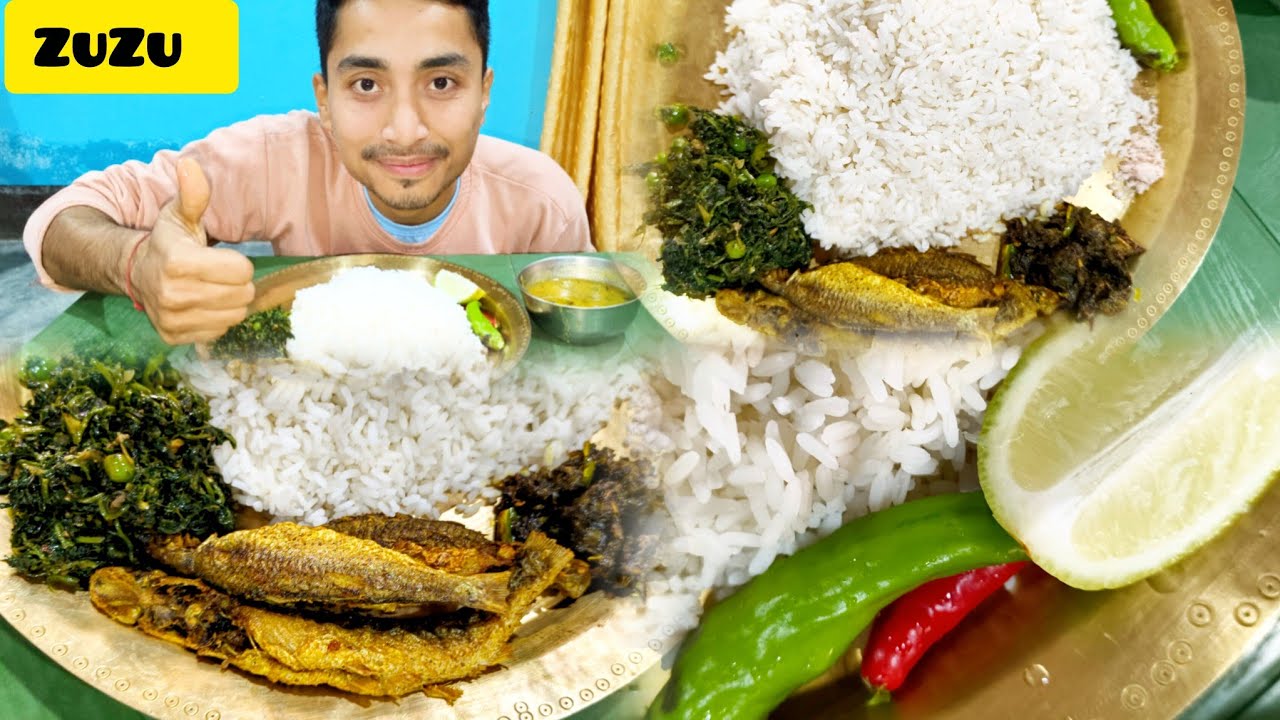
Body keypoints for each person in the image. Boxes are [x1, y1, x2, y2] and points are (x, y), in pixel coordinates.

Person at [22, 0, 592, 345]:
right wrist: (135, 265)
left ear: (484, 91)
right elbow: (56, 224)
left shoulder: (541, 201)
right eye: (366, 85)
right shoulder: (275, 157)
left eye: (441, 83)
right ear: (324, 97)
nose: (405, 130)